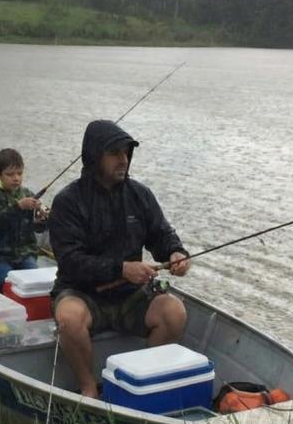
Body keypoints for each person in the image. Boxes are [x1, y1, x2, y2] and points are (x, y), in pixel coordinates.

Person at [48, 120, 191, 398]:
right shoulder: (68, 201)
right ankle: (89, 388)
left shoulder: (140, 195)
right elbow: (70, 261)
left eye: (126, 152)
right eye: (114, 153)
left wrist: (176, 254)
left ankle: (142, 381)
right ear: (95, 156)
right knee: (69, 318)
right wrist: (121, 268)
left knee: (174, 313)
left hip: (130, 295)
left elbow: (162, 235)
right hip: (82, 292)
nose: (123, 159)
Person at [0, 148, 48, 291]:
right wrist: (18, 206)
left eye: (19, 173)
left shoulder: (28, 194)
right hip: (0, 257)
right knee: (7, 284)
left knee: (35, 282)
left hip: (25, 254)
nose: (16, 178)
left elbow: (38, 229)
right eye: (10, 174)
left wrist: (42, 219)